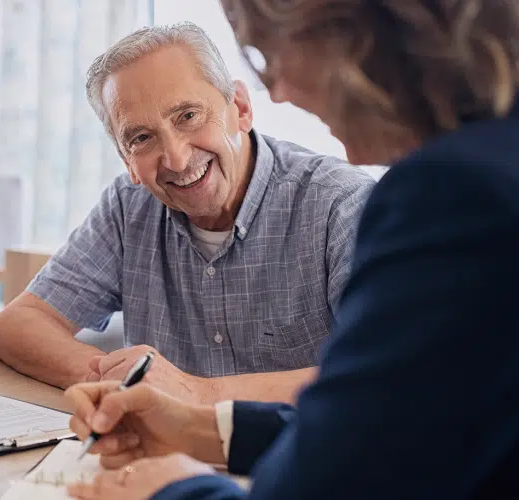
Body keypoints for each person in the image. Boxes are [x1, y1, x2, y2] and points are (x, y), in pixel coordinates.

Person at [65, 0, 519, 499]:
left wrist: (173, 491)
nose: (275, 88)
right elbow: (389, 424)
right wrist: (201, 429)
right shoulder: (491, 166)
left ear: (354, 34)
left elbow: (336, 477)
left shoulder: (453, 195)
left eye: (266, 52)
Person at [0, 22, 374, 404]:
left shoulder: (341, 204)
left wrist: (193, 392)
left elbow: (386, 372)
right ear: (127, 160)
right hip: (161, 459)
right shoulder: (129, 207)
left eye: (188, 116)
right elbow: (16, 326)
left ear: (239, 109)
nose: (176, 158)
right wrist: (124, 381)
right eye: (141, 138)